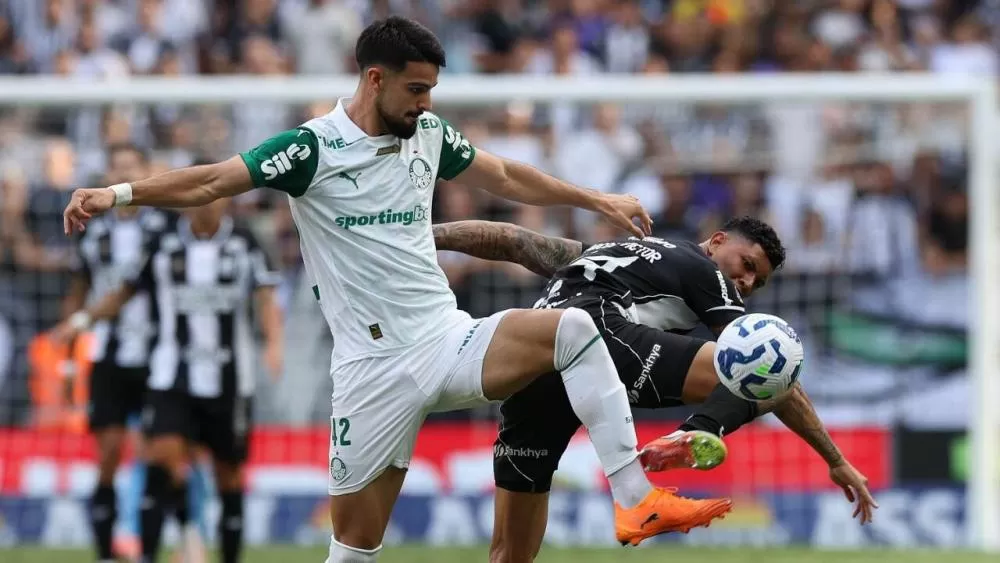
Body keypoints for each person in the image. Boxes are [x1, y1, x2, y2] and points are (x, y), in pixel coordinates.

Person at [63, 15, 732, 560]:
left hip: (446, 338)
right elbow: (210, 180)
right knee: (354, 551)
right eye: (415, 90)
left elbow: (505, 175)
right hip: (371, 371)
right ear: (374, 79)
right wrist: (118, 193)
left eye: (431, 90)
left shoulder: (430, 134)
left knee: (574, 329)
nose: (426, 104)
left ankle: (635, 497)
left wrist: (595, 199)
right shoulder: (311, 149)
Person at [431, 217, 880, 562]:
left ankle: (688, 436)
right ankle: (694, 433)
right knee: (766, 367)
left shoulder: (609, 250)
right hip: (597, 334)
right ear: (718, 240)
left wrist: (420, 234)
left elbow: (512, 240)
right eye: (747, 266)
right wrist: (835, 460)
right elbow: (770, 378)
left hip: (533, 367)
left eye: (756, 282)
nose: (744, 283)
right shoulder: (705, 270)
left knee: (509, 554)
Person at [54, 197, 284, 563]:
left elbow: (267, 292)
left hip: (230, 380)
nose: (208, 204)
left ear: (226, 203)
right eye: (201, 195)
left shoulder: (244, 242)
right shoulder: (162, 244)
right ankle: (160, 547)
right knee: (161, 459)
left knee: (230, 476)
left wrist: (274, 342)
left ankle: (219, 551)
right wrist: (82, 322)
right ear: (188, 202)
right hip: (170, 375)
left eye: (216, 196)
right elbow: (123, 292)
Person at [54, 143, 181, 562]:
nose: (124, 173)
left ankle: (163, 545)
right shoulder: (96, 234)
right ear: (108, 173)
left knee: (158, 455)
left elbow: (129, 291)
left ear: (143, 172)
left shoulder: (163, 228)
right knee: (108, 453)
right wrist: (71, 359)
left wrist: (78, 323)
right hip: (108, 355)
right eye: (117, 167)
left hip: (155, 355)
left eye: (132, 167)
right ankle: (106, 552)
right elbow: (77, 291)